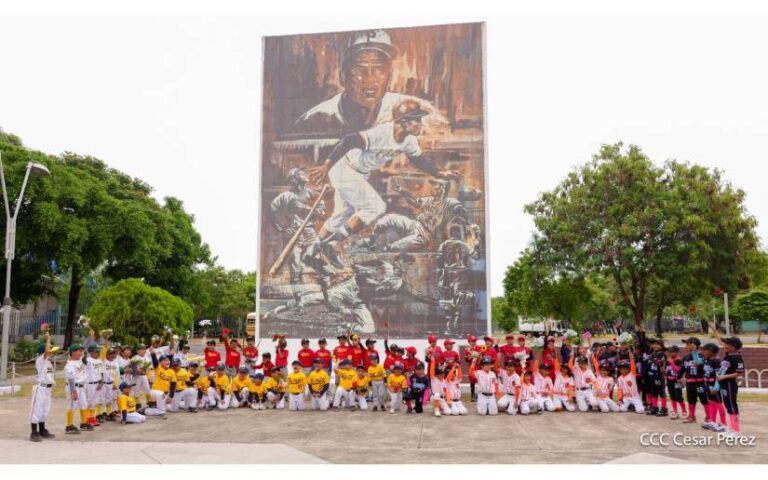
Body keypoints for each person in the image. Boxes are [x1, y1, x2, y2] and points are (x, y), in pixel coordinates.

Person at [308, 100, 460, 269]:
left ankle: (311, 252)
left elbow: (418, 160)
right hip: (344, 168)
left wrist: (439, 173)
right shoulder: (382, 133)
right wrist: (326, 165)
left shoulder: (409, 141)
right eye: (416, 120)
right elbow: (347, 141)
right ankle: (331, 245)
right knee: (375, 207)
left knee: (343, 213)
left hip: (358, 173)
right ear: (403, 121)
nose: (420, 123)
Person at [713, 329, 745, 437]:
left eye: (728, 344)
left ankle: (736, 431)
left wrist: (724, 376)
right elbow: (720, 341)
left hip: (730, 384)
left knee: (732, 406)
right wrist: (714, 330)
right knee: (728, 405)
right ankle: (732, 429)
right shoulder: (728, 353)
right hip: (724, 384)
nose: (724, 345)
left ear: (733, 347)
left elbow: (739, 373)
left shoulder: (736, 357)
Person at [29, 332, 58, 441]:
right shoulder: (40, 360)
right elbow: (46, 351)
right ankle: (33, 432)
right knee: (36, 410)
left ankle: (42, 430)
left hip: (48, 389)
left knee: (44, 410)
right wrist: (48, 338)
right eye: (50, 349)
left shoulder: (48, 362)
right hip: (40, 388)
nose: (52, 352)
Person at [678, 337, 708, 424]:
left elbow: (705, 367)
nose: (686, 346)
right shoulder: (686, 357)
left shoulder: (702, 356)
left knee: (704, 400)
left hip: (699, 382)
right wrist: (678, 377)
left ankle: (709, 416)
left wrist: (700, 364)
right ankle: (692, 416)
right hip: (689, 382)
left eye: (688, 344)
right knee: (691, 400)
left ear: (694, 345)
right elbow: (682, 368)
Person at [701, 343, 726, 432]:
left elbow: (718, 375)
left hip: (715, 386)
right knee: (711, 403)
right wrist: (694, 352)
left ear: (710, 352)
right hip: (708, 384)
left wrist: (716, 387)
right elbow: (698, 361)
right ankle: (712, 422)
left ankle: (723, 424)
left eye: (704, 351)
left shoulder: (716, 362)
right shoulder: (706, 360)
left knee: (719, 403)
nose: (703, 352)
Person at [664, 345, 687, 419]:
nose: (670, 354)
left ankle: (684, 411)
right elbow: (666, 371)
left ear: (677, 352)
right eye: (669, 352)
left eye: (672, 352)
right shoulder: (668, 361)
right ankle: (675, 411)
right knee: (672, 396)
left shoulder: (679, 361)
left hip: (677, 381)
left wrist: (672, 363)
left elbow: (678, 371)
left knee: (678, 396)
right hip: (669, 380)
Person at [463, 335, 482, 401]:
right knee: (472, 382)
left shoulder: (479, 348)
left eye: (474, 341)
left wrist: (478, 355)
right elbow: (466, 359)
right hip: (472, 367)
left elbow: (481, 356)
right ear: (469, 342)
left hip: (479, 366)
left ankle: (480, 395)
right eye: (472, 341)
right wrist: (471, 356)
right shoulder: (467, 349)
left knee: (480, 381)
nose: (474, 342)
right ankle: (473, 396)